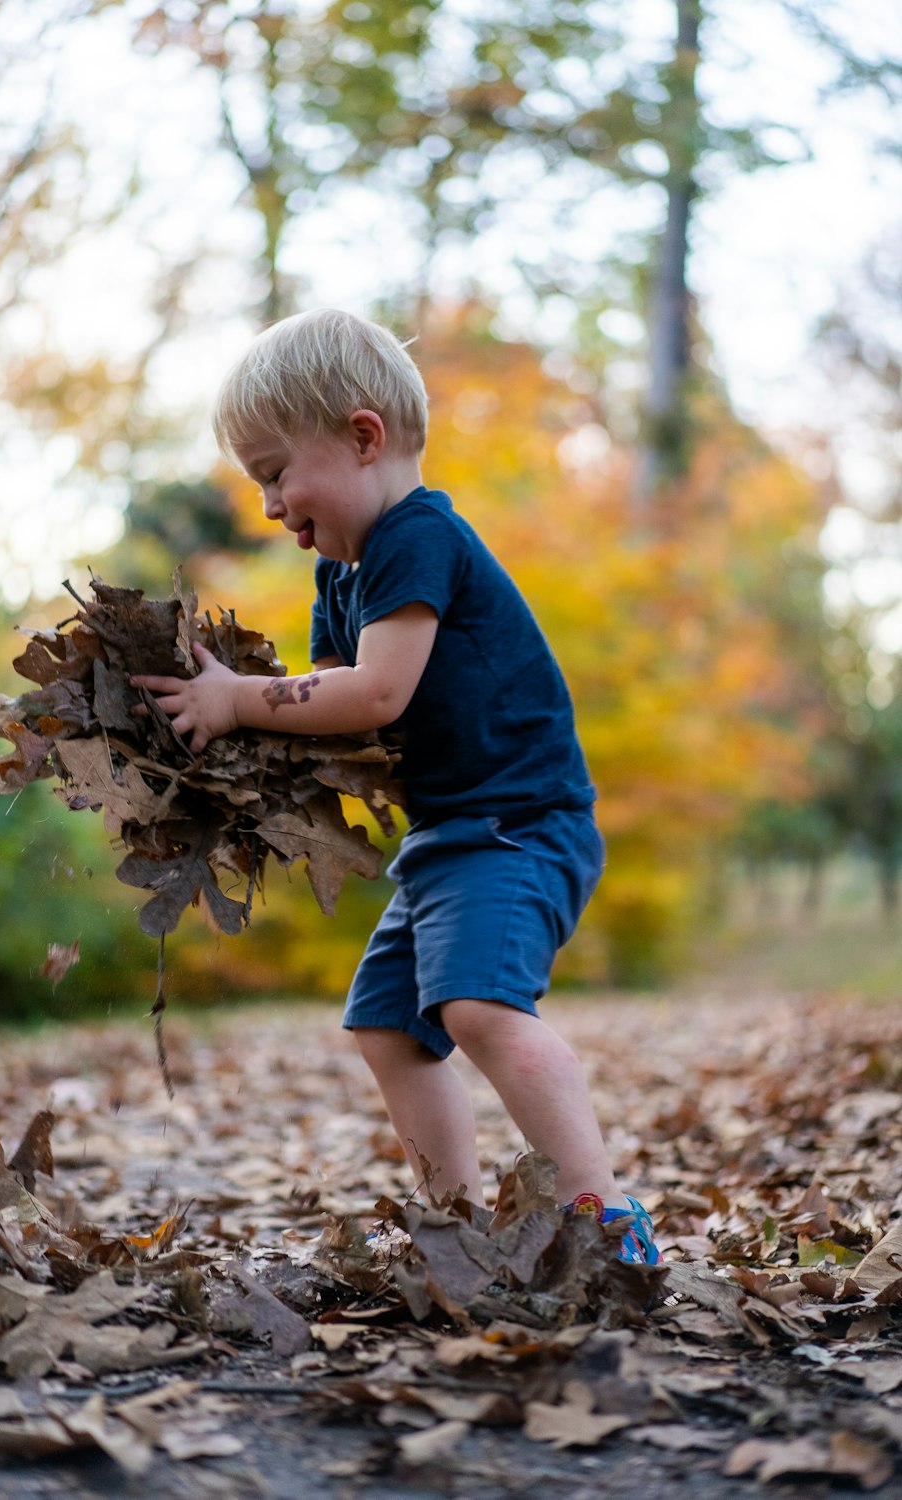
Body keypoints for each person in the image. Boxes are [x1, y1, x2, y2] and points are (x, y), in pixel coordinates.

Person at [133, 307, 660, 1265]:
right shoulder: (341, 577)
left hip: (517, 825)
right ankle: (455, 1228)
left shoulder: (417, 538)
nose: (266, 506)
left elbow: (375, 688)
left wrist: (239, 699)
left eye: (275, 473)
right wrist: (226, 760)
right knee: (388, 1027)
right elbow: (348, 722)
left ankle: (609, 1223)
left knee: (478, 1009)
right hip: (449, 839)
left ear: (362, 438)